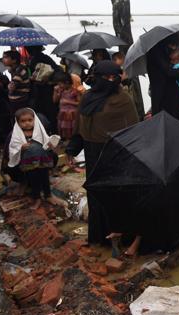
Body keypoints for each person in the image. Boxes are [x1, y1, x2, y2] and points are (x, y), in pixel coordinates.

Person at [65, 61, 139, 245]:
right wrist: (72, 149)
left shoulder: (123, 100)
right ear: (96, 78)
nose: (110, 81)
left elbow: (134, 130)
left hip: (116, 153)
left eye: (114, 77)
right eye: (106, 77)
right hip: (92, 151)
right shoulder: (88, 97)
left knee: (116, 196)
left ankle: (123, 237)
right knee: (96, 194)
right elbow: (81, 126)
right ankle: (99, 238)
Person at [7, 108, 61, 209]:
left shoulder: (39, 130)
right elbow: (13, 147)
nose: (27, 123)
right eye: (23, 121)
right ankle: (37, 198)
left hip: (42, 160)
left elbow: (46, 142)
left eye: (29, 120)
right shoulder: (17, 135)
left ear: (34, 120)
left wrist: (50, 144)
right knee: (33, 180)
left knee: (45, 178)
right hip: (29, 163)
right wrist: (21, 147)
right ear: (17, 122)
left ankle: (48, 195)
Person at [147, 38, 179, 124]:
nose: (174, 48)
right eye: (173, 45)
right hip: (165, 99)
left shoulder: (166, 54)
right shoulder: (156, 54)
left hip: (175, 97)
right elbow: (169, 72)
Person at [26, 46, 59, 132]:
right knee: (50, 111)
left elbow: (34, 76)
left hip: (40, 90)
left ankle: (44, 130)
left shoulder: (35, 59)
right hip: (48, 89)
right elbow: (56, 70)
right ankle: (52, 130)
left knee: (42, 110)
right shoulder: (46, 58)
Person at [52, 72, 80, 141]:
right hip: (63, 114)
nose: (59, 85)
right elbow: (55, 100)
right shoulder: (61, 90)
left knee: (71, 128)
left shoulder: (75, 91)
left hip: (71, 114)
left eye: (60, 83)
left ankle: (71, 141)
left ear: (67, 82)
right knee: (63, 128)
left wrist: (69, 102)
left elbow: (80, 103)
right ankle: (66, 141)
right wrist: (55, 92)